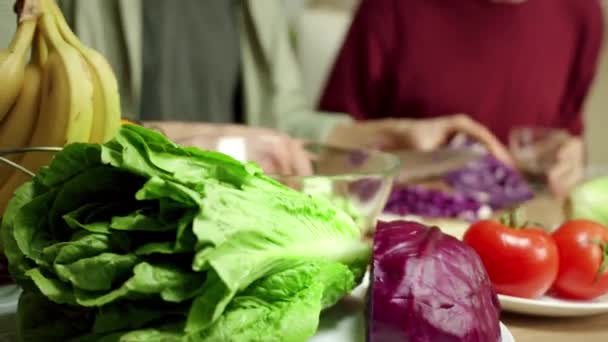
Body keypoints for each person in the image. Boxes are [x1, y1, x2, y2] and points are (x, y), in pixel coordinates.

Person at [319, 0, 604, 196]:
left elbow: (567, 132)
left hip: (526, 240)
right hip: (412, 230)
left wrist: (571, 156)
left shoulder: (582, 13)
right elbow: (324, 153)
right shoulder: (392, 7)